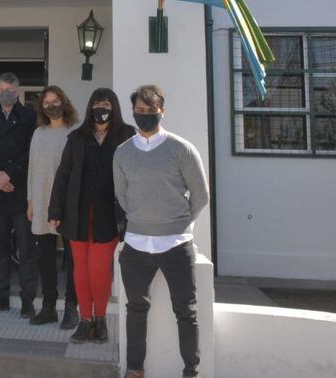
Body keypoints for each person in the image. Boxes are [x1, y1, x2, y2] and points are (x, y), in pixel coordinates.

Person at [114, 85, 209, 378]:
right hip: (136, 246)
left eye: (151, 110)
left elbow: (201, 194)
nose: (145, 115)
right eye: (140, 111)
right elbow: (121, 194)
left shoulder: (181, 148)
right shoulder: (122, 152)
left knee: (186, 311)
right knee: (135, 309)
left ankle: (191, 371)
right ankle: (134, 369)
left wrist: (179, 224)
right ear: (133, 112)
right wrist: (142, 220)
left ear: (162, 111)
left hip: (176, 244)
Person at [49, 88, 134, 343]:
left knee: (98, 269)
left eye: (106, 103)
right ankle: (85, 320)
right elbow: (63, 174)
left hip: (108, 215)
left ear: (114, 107)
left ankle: (101, 319)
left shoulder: (127, 135)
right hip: (76, 214)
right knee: (79, 270)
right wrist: (55, 210)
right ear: (90, 107)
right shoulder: (77, 137)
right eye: (96, 103)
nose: (101, 108)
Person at [0, 72, 39, 317]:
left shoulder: (32, 117)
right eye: (0, 90)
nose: (5, 94)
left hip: (21, 192)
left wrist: (9, 175)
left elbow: (33, 152)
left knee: (26, 249)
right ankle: (0, 296)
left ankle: (27, 300)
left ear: (18, 91)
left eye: (10, 89)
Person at [26, 86, 79, 328]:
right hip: (40, 202)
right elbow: (32, 169)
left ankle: (71, 307)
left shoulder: (75, 132)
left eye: (55, 100)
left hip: (67, 205)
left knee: (72, 259)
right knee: (44, 258)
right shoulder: (39, 133)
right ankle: (48, 306)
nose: (51, 105)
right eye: (46, 102)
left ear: (64, 102)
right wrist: (31, 201)